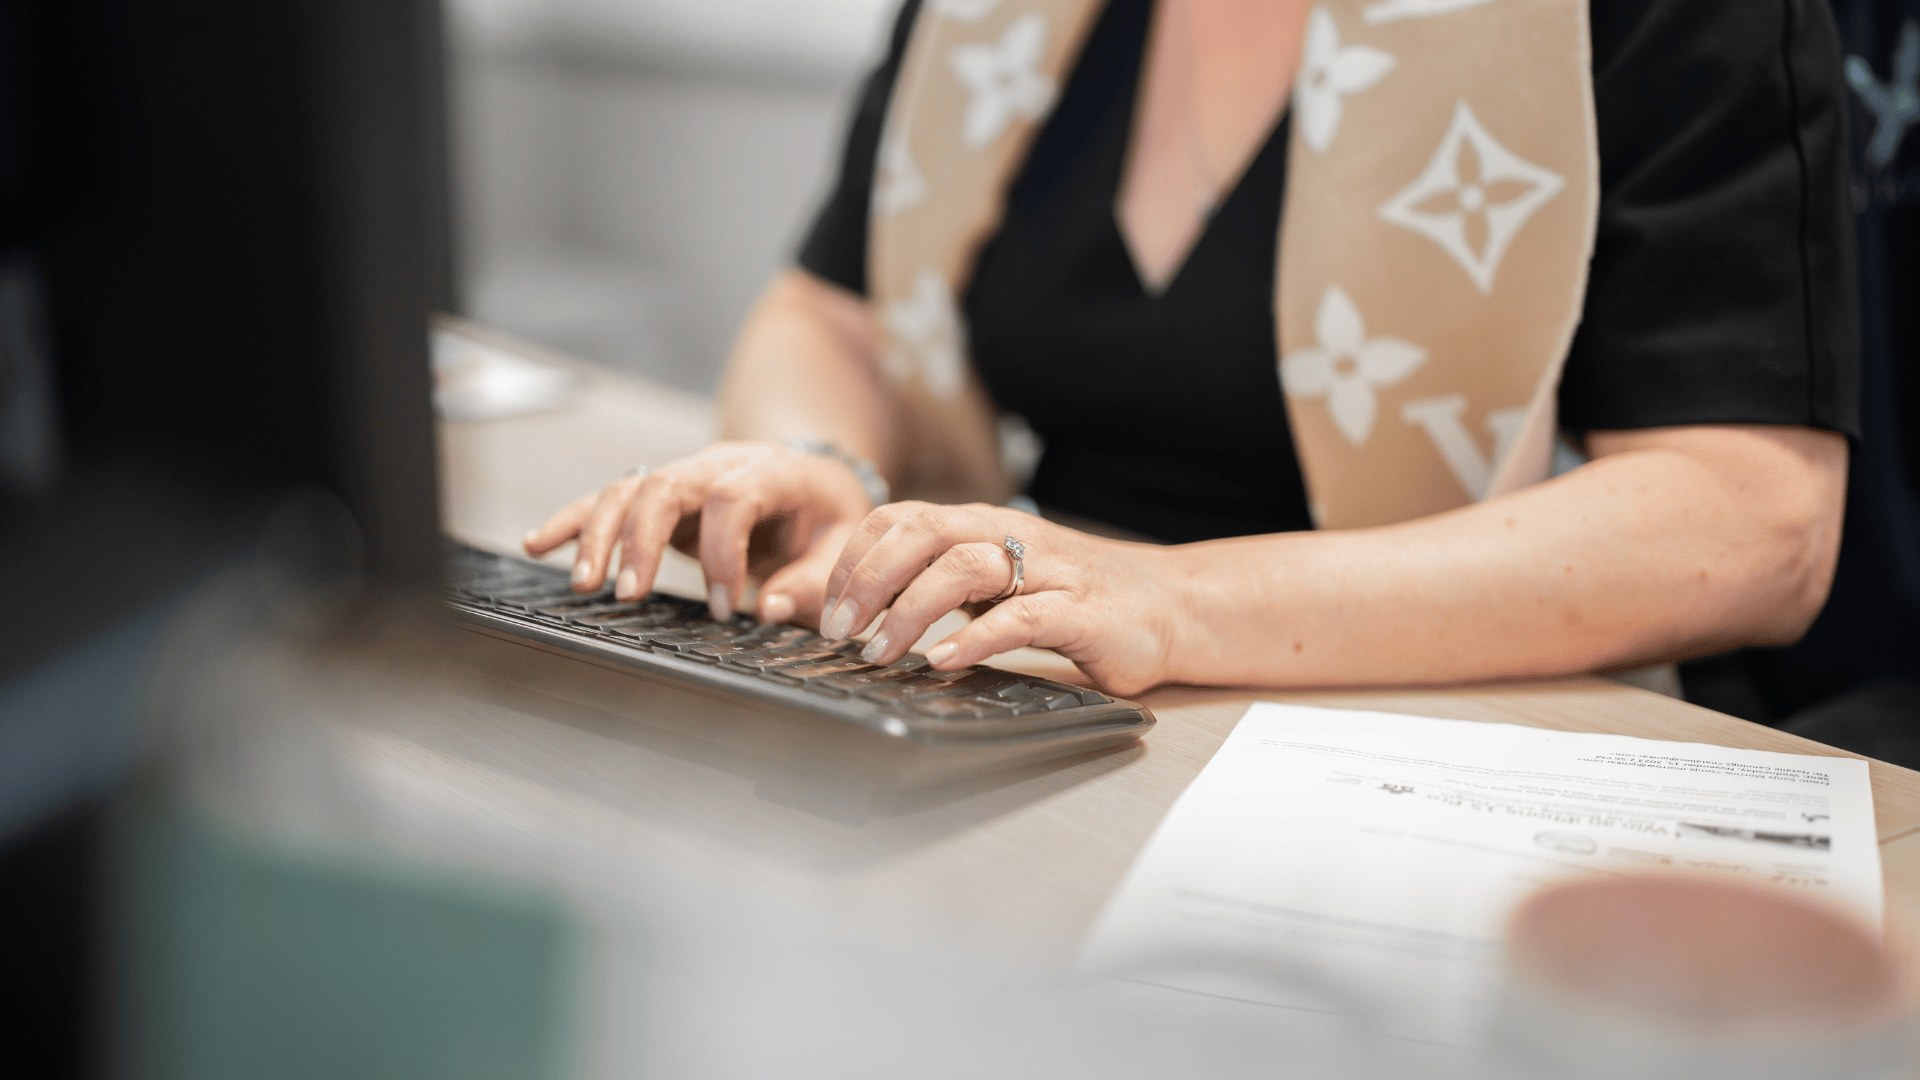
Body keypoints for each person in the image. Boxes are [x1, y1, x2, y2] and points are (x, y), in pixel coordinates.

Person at [526, 0, 1858, 698]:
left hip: (1449, 716)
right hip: (1047, 678)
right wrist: (822, 461)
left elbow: (1753, 518)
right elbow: (834, 312)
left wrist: (1171, 603)